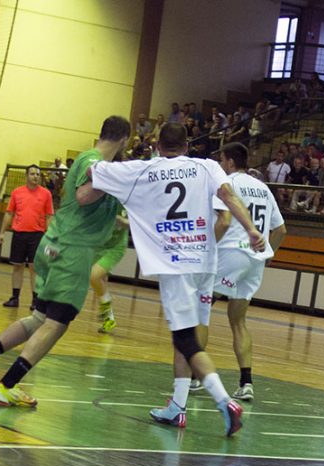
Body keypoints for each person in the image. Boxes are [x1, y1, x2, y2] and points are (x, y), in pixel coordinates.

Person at [89, 123, 265, 436]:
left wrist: (96, 155)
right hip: (205, 263)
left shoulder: (144, 169)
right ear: (187, 145)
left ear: (158, 146)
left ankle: (224, 401)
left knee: (185, 339)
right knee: (185, 335)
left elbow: (94, 171)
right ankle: (178, 406)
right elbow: (229, 197)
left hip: (176, 264)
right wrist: (251, 229)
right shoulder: (207, 166)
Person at [0, 115, 131, 407]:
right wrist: (119, 178)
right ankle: (7, 385)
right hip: (72, 252)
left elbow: (92, 209)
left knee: (39, 318)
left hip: (54, 245)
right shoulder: (94, 162)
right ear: (124, 139)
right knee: (57, 323)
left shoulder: (101, 166)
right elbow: (84, 195)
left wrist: (125, 219)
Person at [200, 142, 287, 400]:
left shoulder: (227, 184)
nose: (220, 165)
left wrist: (205, 250)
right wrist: (268, 254)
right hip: (255, 259)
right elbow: (281, 230)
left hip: (231, 254)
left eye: (221, 160)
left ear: (228, 161)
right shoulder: (263, 188)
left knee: (199, 310)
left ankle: (194, 376)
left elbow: (224, 222)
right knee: (238, 321)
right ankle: (246, 382)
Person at [0, 165, 55, 309]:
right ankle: (14, 298)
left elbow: (49, 216)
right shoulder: (17, 192)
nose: (35, 176)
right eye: (32, 174)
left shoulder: (46, 194)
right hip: (19, 234)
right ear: (26, 176)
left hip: (37, 235)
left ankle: (35, 301)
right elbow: (9, 213)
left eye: (38, 174)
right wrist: (2, 232)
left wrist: (50, 236)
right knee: (17, 266)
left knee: (34, 267)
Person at [90, 208, 129, 333]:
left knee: (94, 275)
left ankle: (105, 305)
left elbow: (136, 224)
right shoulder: (98, 200)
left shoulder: (125, 202)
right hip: (98, 244)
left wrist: (122, 221)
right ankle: (109, 318)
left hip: (115, 247)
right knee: (100, 280)